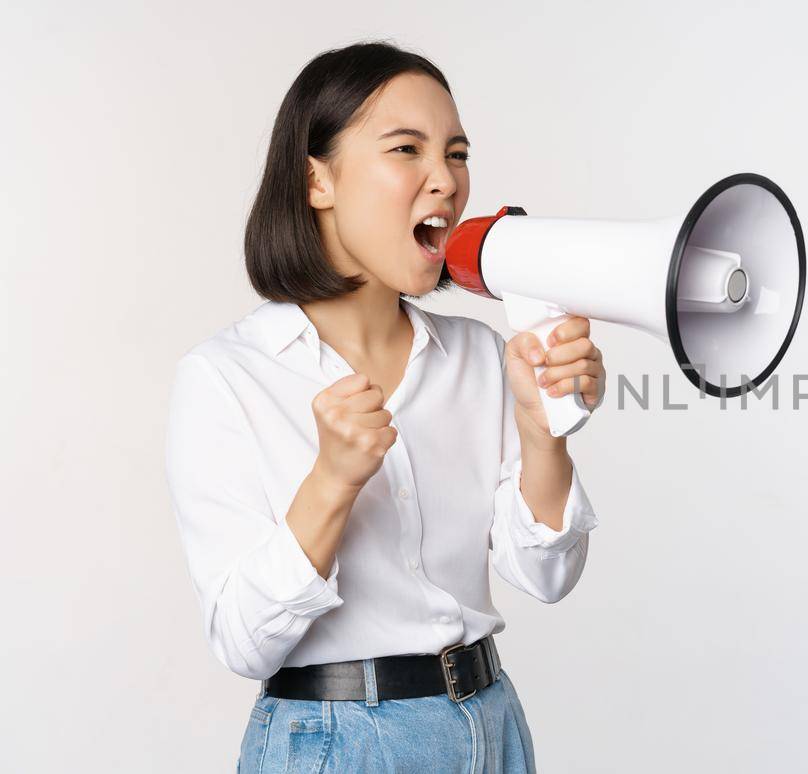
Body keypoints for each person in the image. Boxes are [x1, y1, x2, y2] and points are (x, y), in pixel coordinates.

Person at [164, 41, 607, 772]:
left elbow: (548, 577)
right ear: (317, 180)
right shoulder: (225, 379)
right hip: (336, 742)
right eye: (407, 149)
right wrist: (331, 483)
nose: (446, 181)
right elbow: (243, 643)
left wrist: (543, 431)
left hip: (491, 725)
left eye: (457, 154)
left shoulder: (476, 355)